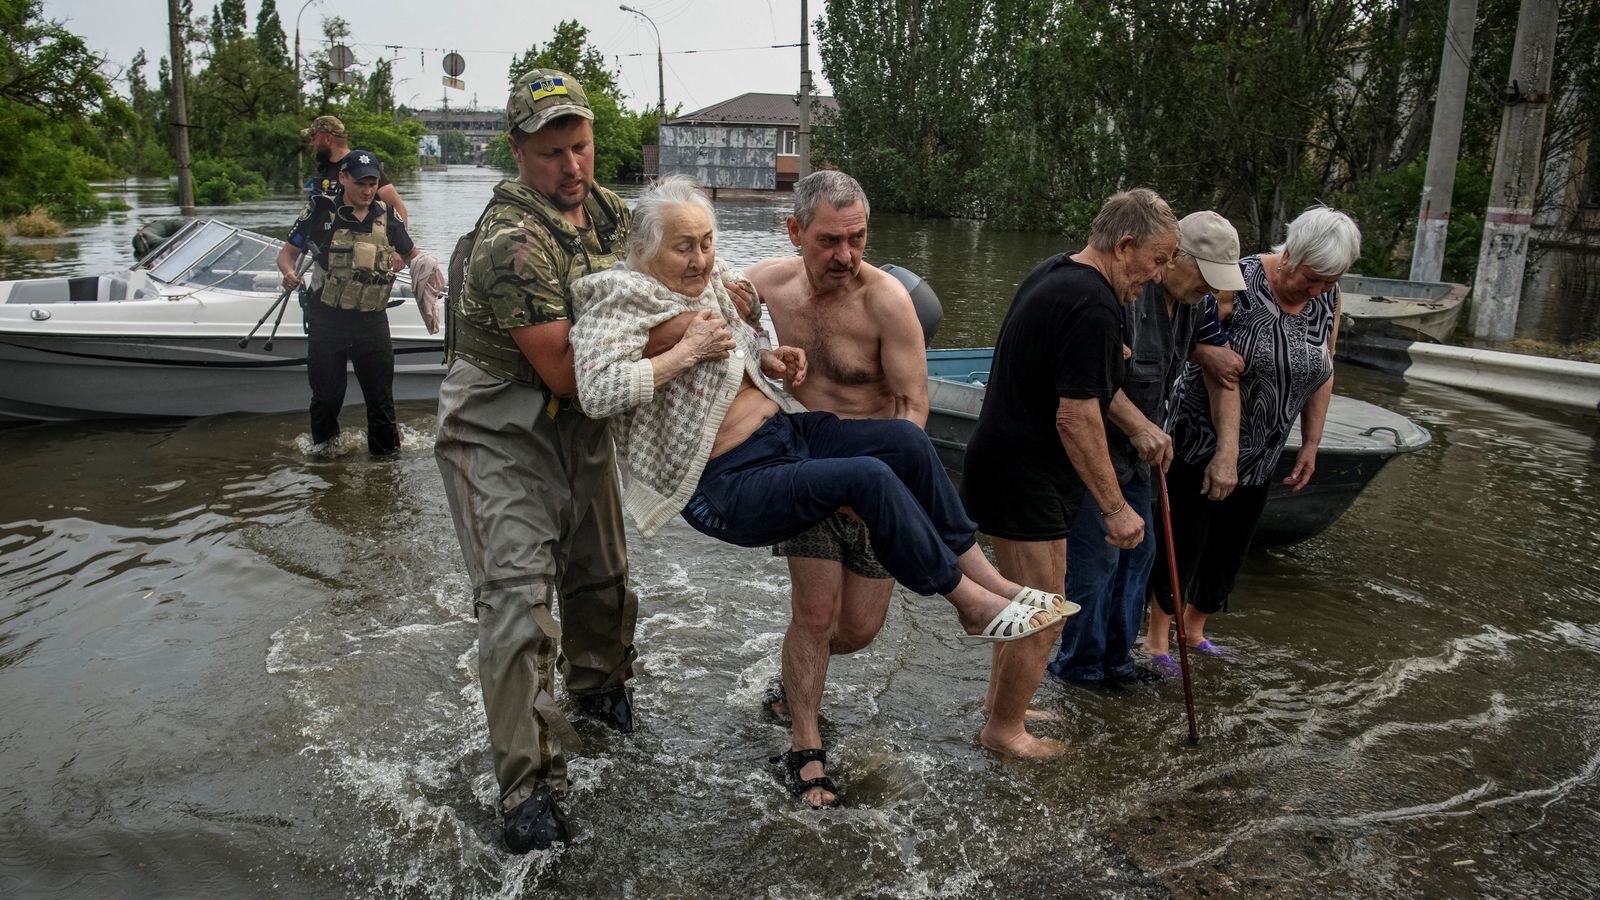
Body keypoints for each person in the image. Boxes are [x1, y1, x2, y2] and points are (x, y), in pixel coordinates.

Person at [567, 175, 1068, 796]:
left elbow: (746, 346)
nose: (700, 259)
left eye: (706, 243)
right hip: (734, 479)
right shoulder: (625, 297)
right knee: (821, 599)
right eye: (684, 246)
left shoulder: (861, 297)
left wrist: (769, 358)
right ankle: (951, 619)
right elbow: (597, 390)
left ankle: (985, 582)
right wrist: (690, 346)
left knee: (901, 456)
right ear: (796, 233)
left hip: (796, 442)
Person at [433, 69, 640, 854]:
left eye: (580, 146)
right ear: (517, 151)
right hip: (501, 429)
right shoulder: (509, 243)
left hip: (580, 428)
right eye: (552, 152)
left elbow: (664, 281)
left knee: (601, 578)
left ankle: (601, 695)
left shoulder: (609, 211)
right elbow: (567, 371)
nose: (571, 166)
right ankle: (528, 789)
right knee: (518, 606)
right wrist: (687, 342)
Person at [961, 188, 1177, 758]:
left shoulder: (1060, 273)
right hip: (1023, 475)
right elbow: (1076, 416)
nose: (1158, 276)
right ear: (1124, 245)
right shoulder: (1093, 305)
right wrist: (1116, 508)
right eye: (1156, 260)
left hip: (1010, 465)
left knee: (1025, 605)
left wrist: (1129, 408)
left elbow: (1083, 382)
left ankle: (1000, 707)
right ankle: (1005, 732)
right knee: (1044, 614)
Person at [744, 170, 926, 808]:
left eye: (858, 238)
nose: (846, 255)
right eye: (829, 241)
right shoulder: (765, 285)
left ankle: (790, 682)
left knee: (857, 630)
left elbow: (913, 409)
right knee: (815, 616)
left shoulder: (886, 302)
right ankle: (805, 747)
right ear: (795, 231)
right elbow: (699, 302)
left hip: (874, 483)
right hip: (806, 472)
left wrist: (881, 487)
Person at [1146, 205, 1361, 662]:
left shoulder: (1329, 298)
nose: (1318, 289)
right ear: (1292, 255)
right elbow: (1186, 333)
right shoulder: (1235, 279)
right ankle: (1157, 639)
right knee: (1184, 538)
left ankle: (1194, 630)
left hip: (1265, 445)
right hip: (1201, 436)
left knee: (1230, 545)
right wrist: (1206, 354)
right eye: (1313, 277)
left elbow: (1324, 370)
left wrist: (1312, 443)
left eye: (1329, 281)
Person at [1047, 211, 1245, 686]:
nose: (1212, 290)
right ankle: (1080, 669)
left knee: (1141, 555)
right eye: (1205, 275)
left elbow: (1222, 375)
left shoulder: (1197, 304)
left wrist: (1227, 452)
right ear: (1174, 258)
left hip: (1141, 460)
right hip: (1096, 451)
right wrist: (1140, 427)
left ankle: (1117, 665)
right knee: (1097, 562)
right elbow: (1087, 380)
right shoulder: (1127, 293)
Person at [275, 149, 431, 456]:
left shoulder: (387, 216)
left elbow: (414, 255)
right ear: (343, 178)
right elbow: (286, 256)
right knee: (327, 398)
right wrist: (289, 274)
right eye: (361, 183)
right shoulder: (320, 212)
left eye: (373, 184)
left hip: (371, 320)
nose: (368, 190)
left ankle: (386, 468)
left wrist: (427, 269)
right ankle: (325, 463)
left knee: (380, 400)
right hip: (327, 319)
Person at [302, 115, 410, 224]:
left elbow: (397, 207)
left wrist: (401, 234)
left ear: (327, 139)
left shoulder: (363, 167)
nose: (312, 144)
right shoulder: (324, 169)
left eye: (314, 138)